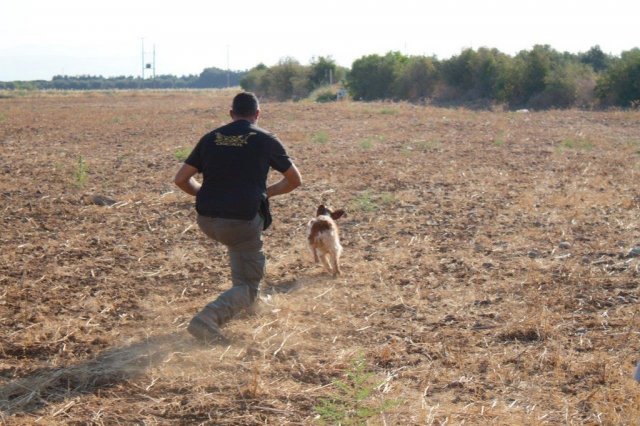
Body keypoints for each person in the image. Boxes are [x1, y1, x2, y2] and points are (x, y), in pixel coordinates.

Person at [174, 92, 302, 344]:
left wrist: (202, 194)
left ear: (231, 113)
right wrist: (267, 194)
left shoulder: (211, 138)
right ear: (257, 114)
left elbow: (180, 179)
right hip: (241, 219)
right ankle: (208, 318)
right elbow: (294, 180)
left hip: (207, 219)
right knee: (251, 285)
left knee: (241, 255)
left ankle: (244, 304)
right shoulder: (265, 139)